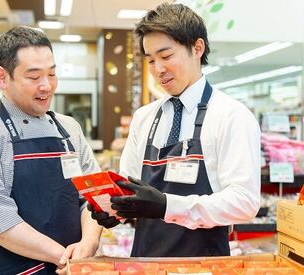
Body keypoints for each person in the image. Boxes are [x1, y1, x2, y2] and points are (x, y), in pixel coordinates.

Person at [88, 3, 261, 257]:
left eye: (166, 56)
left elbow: (244, 202)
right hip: (145, 263)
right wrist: (116, 210)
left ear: (197, 48)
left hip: (204, 266)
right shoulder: (144, 117)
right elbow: (128, 185)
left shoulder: (231, 115)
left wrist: (167, 206)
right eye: (151, 60)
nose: (158, 69)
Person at [0, 26, 102, 274]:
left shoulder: (69, 129)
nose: (47, 86)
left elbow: (94, 195)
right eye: (34, 77)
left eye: (52, 74)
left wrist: (89, 243)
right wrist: (64, 258)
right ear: (2, 77)